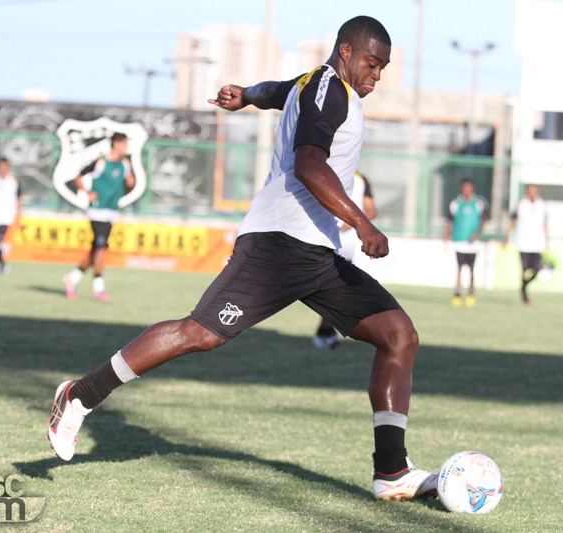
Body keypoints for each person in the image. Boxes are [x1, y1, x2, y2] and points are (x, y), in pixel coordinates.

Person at [48, 16, 438, 502]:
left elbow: (276, 88)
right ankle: (80, 395)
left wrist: (246, 96)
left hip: (317, 252)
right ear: (345, 52)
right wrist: (362, 222)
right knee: (201, 334)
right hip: (279, 244)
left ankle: (392, 471)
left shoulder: (314, 83)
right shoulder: (332, 90)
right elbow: (310, 164)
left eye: (383, 68)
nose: (376, 76)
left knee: (398, 335)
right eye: (372, 63)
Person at [62, 132, 135, 301]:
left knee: (97, 248)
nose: (126, 147)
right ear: (116, 144)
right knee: (101, 247)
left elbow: (126, 187)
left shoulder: (125, 165)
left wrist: (130, 185)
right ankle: (98, 288)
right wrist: (87, 193)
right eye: (124, 143)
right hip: (97, 210)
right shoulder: (101, 162)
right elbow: (78, 177)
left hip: (111, 210)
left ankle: (72, 278)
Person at [313, 171, 376, 349]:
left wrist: (355, 222)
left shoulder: (362, 179)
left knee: (337, 289)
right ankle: (328, 331)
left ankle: (326, 331)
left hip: (348, 246)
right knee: (330, 289)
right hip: (325, 240)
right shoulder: (330, 173)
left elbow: (372, 211)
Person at [444, 179, 488, 307]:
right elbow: (449, 221)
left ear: (473, 189)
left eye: (469, 188)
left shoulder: (479, 202)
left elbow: (483, 220)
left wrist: (478, 234)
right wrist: (447, 236)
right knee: (459, 268)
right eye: (464, 187)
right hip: (459, 240)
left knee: (472, 269)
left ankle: (471, 292)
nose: (466, 190)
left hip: (473, 243)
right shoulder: (455, 203)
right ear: (461, 188)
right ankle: (457, 293)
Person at [503, 183, 548, 305]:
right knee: (524, 269)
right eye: (530, 191)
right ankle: (524, 294)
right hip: (523, 242)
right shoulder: (520, 204)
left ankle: (523, 287)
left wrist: (547, 240)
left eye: (534, 191)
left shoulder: (542, 205)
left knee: (537, 269)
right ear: (527, 192)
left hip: (537, 243)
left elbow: (545, 223)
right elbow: (512, 221)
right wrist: (506, 237)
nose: (532, 193)